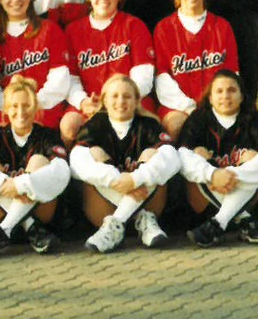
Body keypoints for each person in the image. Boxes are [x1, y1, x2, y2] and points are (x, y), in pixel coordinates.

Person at [70, 75, 180, 253]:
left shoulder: (149, 124)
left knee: (153, 155)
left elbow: (172, 158)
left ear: (137, 100)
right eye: (114, 96)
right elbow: (76, 163)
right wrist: (117, 181)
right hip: (104, 208)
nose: (121, 101)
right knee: (94, 153)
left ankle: (116, 224)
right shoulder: (95, 125)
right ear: (104, 100)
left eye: (127, 96)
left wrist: (137, 178)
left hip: (148, 202)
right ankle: (138, 217)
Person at [0, 76, 70, 257]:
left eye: (26, 105)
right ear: (5, 109)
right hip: (5, 218)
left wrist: (22, 185)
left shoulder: (47, 135)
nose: (21, 112)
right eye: (14, 106)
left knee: (39, 161)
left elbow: (62, 172)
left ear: (35, 107)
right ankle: (30, 228)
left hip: (41, 216)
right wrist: (2, 183)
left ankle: (3, 231)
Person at [179, 70, 258, 247]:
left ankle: (217, 224)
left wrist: (233, 174)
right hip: (204, 207)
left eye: (232, 90)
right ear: (209, 97)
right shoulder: (199, 118)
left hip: (246, 200)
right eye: (219, 91)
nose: (225, 96)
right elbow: (181, 155)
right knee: (196, 154)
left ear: (241, 96)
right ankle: (245, 221)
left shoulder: (253, 118)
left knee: (256, 157)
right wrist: (212, 174)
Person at [60, 0, 155, 147]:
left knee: (147, 127)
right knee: (69, 126)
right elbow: (70, 78)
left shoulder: (134, 26)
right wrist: (82, 101)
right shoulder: (73, 30)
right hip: (89, 101)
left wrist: (115, 102)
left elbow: (144, 78)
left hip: (129, 100)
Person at [154, 0, 239, 140]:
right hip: (178, 106)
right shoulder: (164, 28)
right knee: (176, 125)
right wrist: (189, 107)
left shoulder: (221, 26)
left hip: (219, 103)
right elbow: (162, 77)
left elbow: (232, 73)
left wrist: (215, 105)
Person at [0, 0, 71, 130]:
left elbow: (60, 77)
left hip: (44, 107)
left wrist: (32, 105)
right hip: (6, 110)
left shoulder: (49, 29)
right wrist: (10, 105)